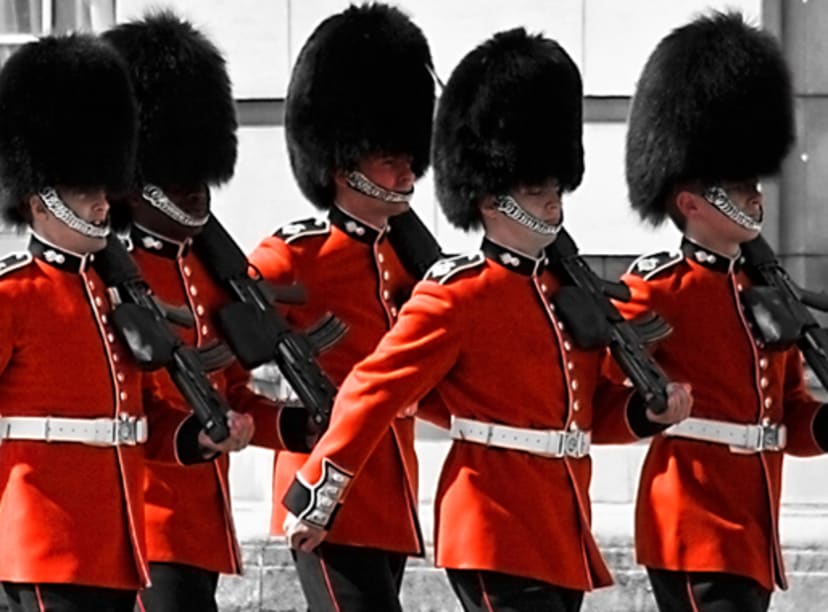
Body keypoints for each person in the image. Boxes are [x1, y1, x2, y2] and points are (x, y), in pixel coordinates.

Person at [282, 28, 692, 612]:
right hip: (492, 529)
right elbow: (372, 392)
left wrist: (644, 413)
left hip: (560, 527)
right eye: (535, 188)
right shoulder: (458, 294)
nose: (552, 202)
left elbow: (577, 415)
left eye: (555, 187)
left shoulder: (561, 293)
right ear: (490, 197)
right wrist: (319, 493)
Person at [0, 33, 251, 612]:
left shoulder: (109, 292)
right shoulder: (15, 294)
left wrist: (199, 436)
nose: (100, 204)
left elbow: (139, 418)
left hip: (118, 552)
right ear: (40, 203)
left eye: (101, 189)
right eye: (84, 191)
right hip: (40, 549)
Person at [102, 12, 312, 612]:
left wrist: (292, 428)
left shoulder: (209, 275)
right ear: (137, 179)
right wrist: (195, 437)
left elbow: (236, 394)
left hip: (201, 529)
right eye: (177, 172)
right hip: (146, 524)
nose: (195, 189)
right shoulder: (116, 281)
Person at [621, 11, 828, 611]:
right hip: (691, 526)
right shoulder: (660, 288)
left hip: (753, 530)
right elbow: (604, 388)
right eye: (738, 188)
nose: (755, 197)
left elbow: (785, 412)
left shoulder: (764, 288)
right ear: (691, 201)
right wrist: (649, 407)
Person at [247, 3, 437, 609]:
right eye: (389, 157)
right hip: (326, 492)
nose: (407, 169)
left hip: (392, 489)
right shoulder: (293, 258)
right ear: (343, 166)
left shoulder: (410, 259)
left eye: (408, 154)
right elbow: (231, 350)